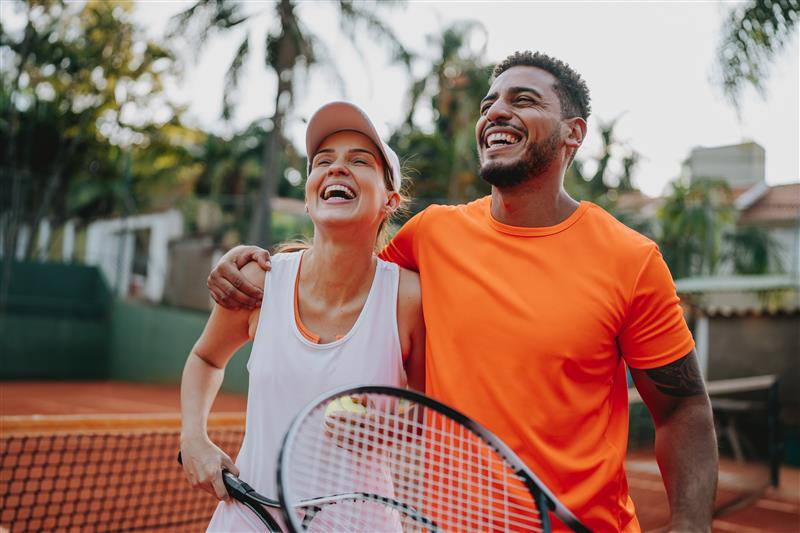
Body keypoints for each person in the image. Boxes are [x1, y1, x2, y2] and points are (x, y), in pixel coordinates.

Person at [208, 51, 718, 532]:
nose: (496, 111)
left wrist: (691, 526)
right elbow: (342, 268)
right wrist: (257, 263)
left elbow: (683, 409)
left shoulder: (631, 260)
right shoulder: (432, 234)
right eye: (488, 103)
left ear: (573, 133)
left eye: (523, 100)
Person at [180, 101, 426, 531]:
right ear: (309, 199)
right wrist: (193, 438)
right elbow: (206, 359)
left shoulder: (409, 297)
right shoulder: (258, 281)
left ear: (390, 200)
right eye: (323, 162)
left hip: (359, 522)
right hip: (248, 519)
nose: (336, 169)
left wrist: (385, 429)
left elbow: (426, 414)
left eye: (359, 161)